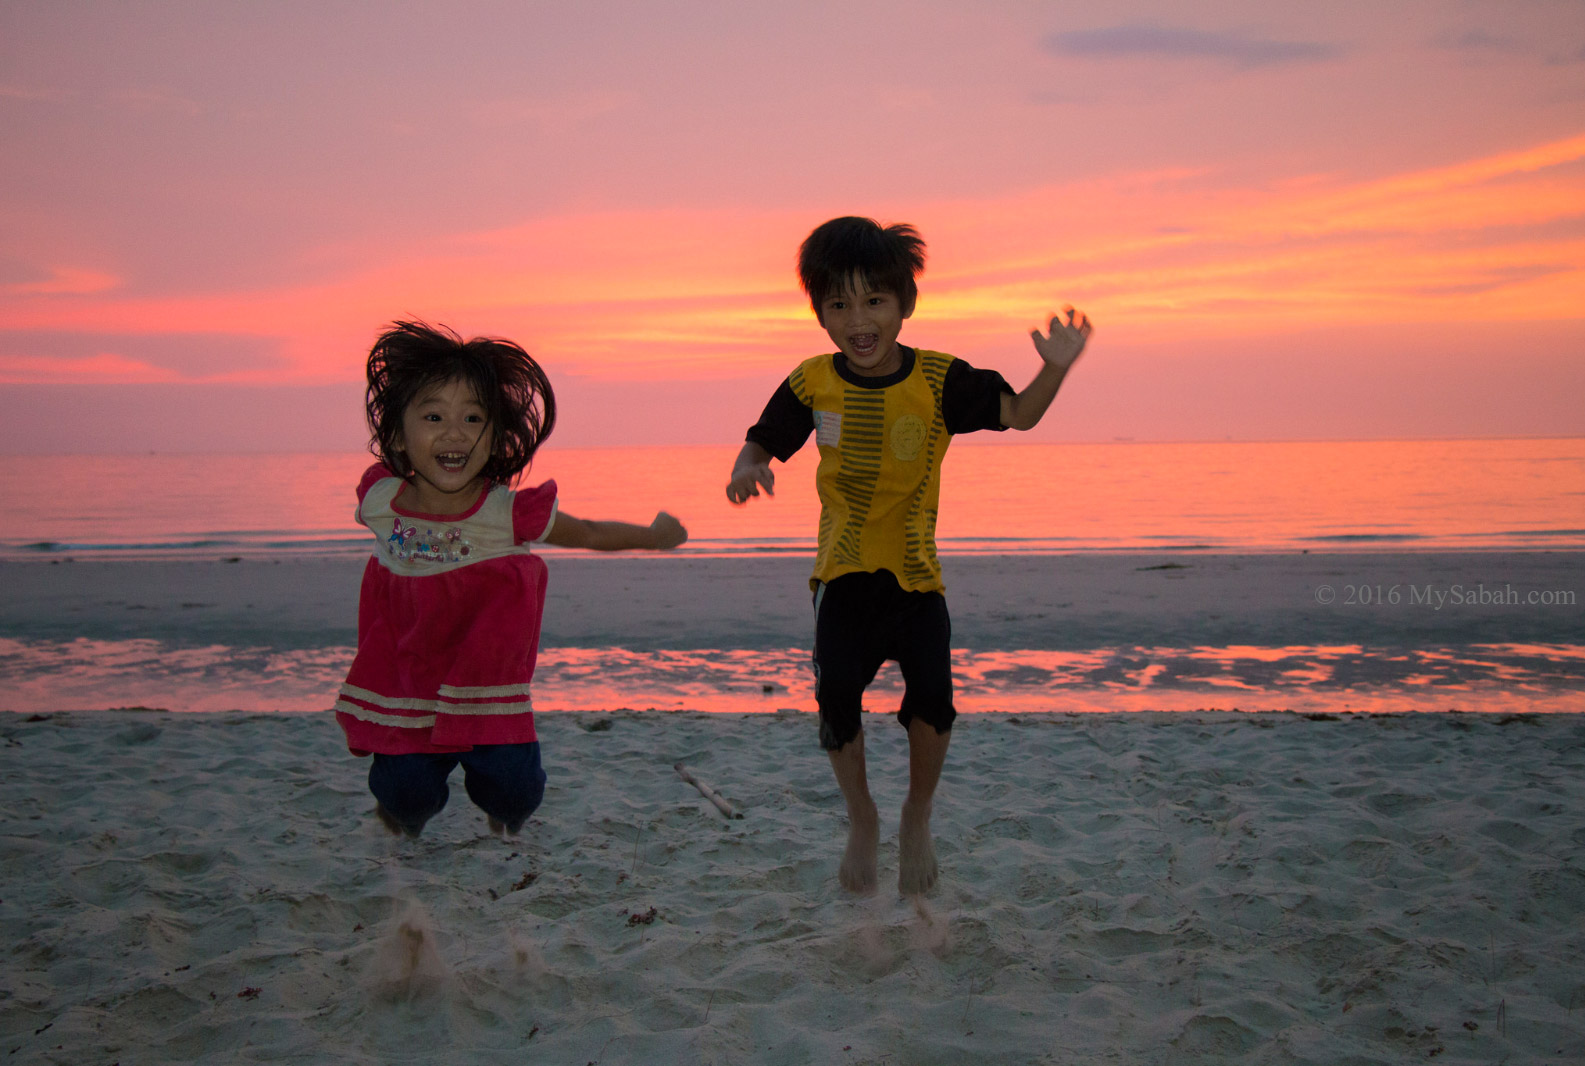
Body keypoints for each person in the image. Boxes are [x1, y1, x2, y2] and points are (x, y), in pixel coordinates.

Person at [725, 217, 1092, 895]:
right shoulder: (811, 383)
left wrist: (1055, 368)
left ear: (902, 304)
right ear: (821, 313)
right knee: (836, 698)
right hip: (841, 575)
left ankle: (916, 815)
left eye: (873, 301)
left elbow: (1018, 413)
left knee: (935, 700)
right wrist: (748, 467)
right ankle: (862, 817)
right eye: (839, 304)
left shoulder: (940, 380)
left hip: (918, 580)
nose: (857, 320)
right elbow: (763, 438)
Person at [336, 320, 687, 839]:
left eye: (473, 418)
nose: (454, 433)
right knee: (405, 792)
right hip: (406, 680)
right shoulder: (380, 501)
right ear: (397, 436)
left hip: (486, 680)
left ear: (497, 439)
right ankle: (402, 822)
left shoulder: (505, 513)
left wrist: (652, 536)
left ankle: (505, 823)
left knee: (514, 788)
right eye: (433, 416)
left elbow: (586, 532)